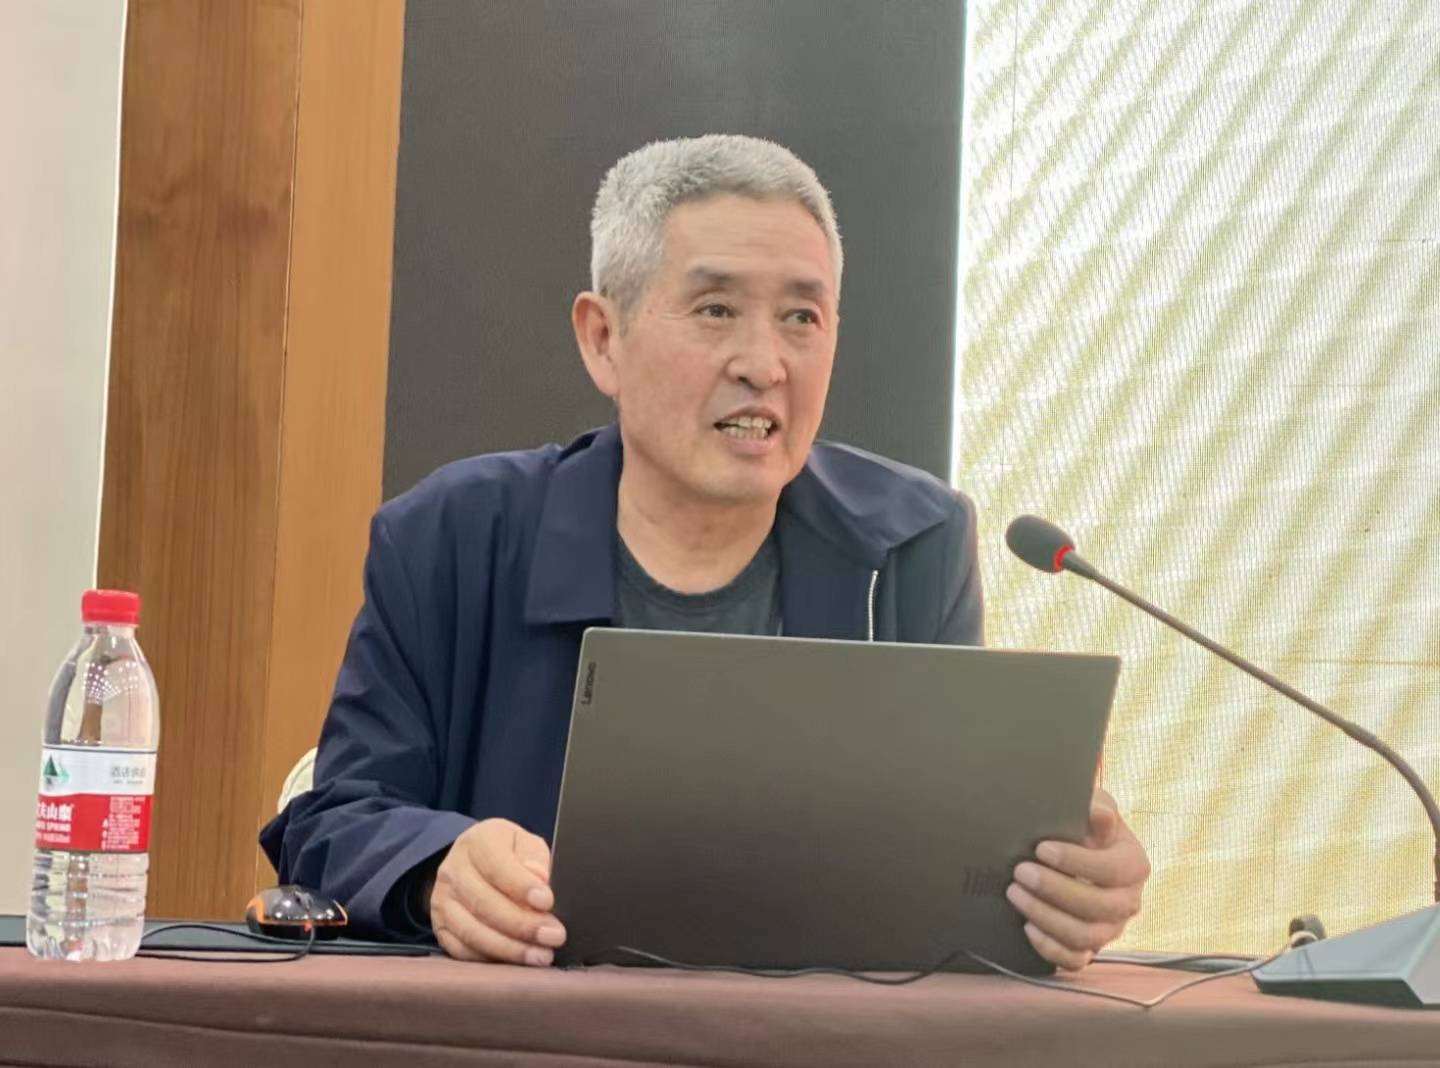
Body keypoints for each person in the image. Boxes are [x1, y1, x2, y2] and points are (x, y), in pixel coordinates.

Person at [260, 134, 1150, 972]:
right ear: (603, 340)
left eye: (801, 317)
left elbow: (960, 853)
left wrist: (1063, 884)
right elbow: (330, 819)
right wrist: (438, 865)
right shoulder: (454, 536)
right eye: (716, 310)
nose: (764, 363)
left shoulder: (910, 544)